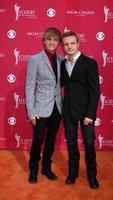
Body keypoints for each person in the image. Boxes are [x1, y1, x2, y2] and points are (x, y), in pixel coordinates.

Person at [61, 31, 100, 189]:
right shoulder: (63, 64)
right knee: (71, 143)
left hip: (86, 113)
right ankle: (73, 173)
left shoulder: (90, 63)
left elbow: (95, 90)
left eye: (72, 43)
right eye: (66, 44)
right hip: (68, 111)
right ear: (63, 46)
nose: (69, 46)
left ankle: (92, 176)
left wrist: (90, 114)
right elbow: (62, 84)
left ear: (78, 44)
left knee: (89, 144)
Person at [25, 27, 63, 184]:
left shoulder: (62, 60)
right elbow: (29, 86)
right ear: (44, 41)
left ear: (58, 42)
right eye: (49, 39)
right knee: (38, 139)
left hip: (57, 107)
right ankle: (33, 170)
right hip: (40, 108)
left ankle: (46, 168)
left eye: (55, 40)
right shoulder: (35, 59)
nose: (52, 43)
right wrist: (31, 111)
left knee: (51, 140)